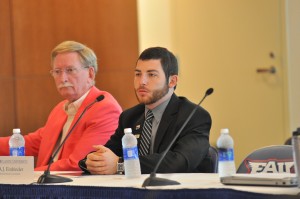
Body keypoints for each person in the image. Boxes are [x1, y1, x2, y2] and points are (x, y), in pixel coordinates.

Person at [79, 47, 212, 174]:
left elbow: (179, 162)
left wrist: (121, 165)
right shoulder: (129, 117)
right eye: (138, 74)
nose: (142, 81)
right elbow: (108, 153)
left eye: (151, 75)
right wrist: (93, 161)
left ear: (172, 81)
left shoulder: (194, 116)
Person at [0, 41, 122, 171]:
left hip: (75, 189)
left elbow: (78, 164)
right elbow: (31, 143)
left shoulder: (104, 108)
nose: (63, 78)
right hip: (44, 187)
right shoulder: (60, 109)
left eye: (70, 70)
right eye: (57, 71)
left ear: (90, 74)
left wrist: (27, 174)